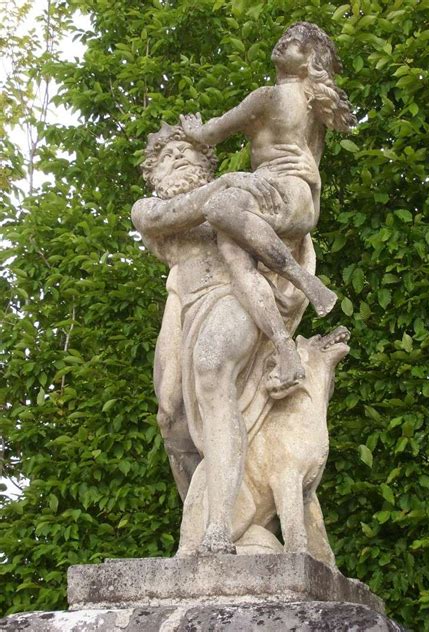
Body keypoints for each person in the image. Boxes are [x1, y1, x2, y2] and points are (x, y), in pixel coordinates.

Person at [132, 123, 316, 552]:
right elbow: (168, 216)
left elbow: (292, 219)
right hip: (183, 302)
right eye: (165, 157)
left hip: (234, 296)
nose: (176, 158)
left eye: (186, 152)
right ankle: (216, 518)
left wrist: (305, 175)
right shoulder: (148, 210)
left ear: (206, 162)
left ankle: (219, 527)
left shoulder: (239, 198)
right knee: (170, 413)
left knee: (212, 364)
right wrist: (228, 182)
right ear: (153, 174)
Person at [180, 21, 355, 396]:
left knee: (220, 204)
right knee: (233, 250)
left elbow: (212, 133)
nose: (282, 43)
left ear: (308, 61)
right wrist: (317, 192)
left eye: (292, 42)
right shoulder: (314, 109)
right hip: (300, 206)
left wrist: (194, 131)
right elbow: (312, 172)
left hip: (276, 196)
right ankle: (282, 346)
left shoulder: (268, 97)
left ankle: (302, 279)